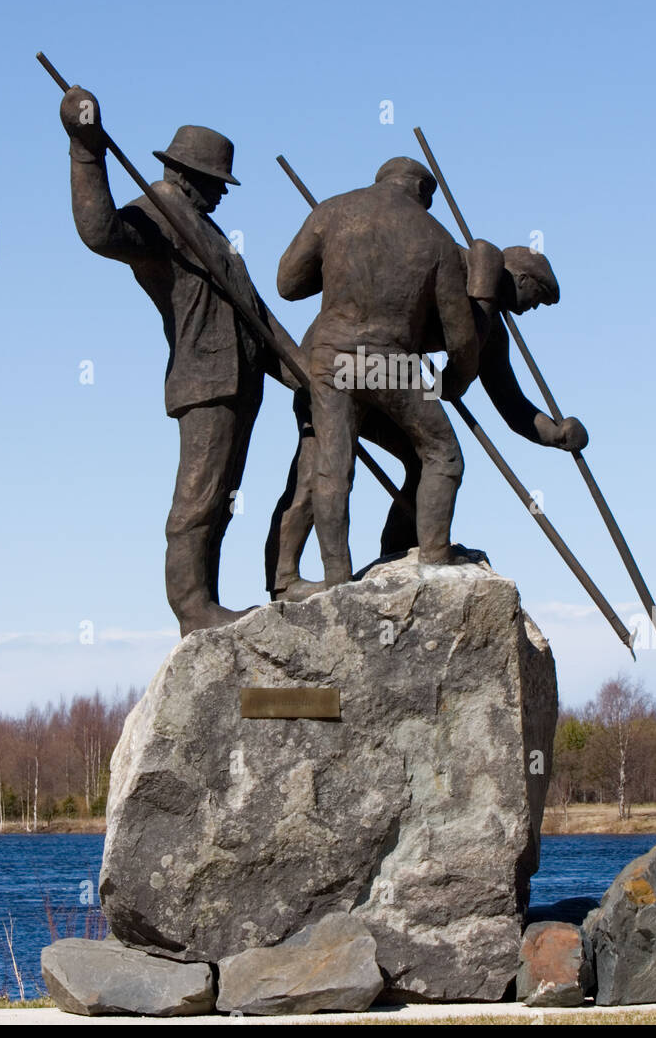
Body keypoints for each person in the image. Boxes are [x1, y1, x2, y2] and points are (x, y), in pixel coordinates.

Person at [59, 86, 299, 635]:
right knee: (197, 500)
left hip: (240, 382)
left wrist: (308, 375)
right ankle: (193, 608)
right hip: (206, 379)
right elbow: (101, 232)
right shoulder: (160, 208)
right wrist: (85, 150)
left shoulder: (212, 232)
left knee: (221, 502)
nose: (222, 193)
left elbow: (259, 319)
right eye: (217, 182)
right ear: (191, 173)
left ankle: (207, 603)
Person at [267, 226, 588, 601]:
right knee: (321, 468)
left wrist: (555, 433)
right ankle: (286, 578)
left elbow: (510, 402)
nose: (533, 309)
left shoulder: (491, 329)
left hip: (379, 381)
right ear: (521, 278)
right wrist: (450, 377)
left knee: (418, 464)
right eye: (538, 298)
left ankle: (399, 552)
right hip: (333, 365)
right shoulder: (444, 261)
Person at [275, 157, 479, 590]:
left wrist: (336, 269)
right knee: (442, 454)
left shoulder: (332, 210)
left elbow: (288, 285)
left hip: (331, 359)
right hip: (391, 362)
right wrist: (452, 382)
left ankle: (336, 580)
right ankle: (436, 557)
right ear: (424, 193)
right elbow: (461, 338)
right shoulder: (436, 237)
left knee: (333, 466)